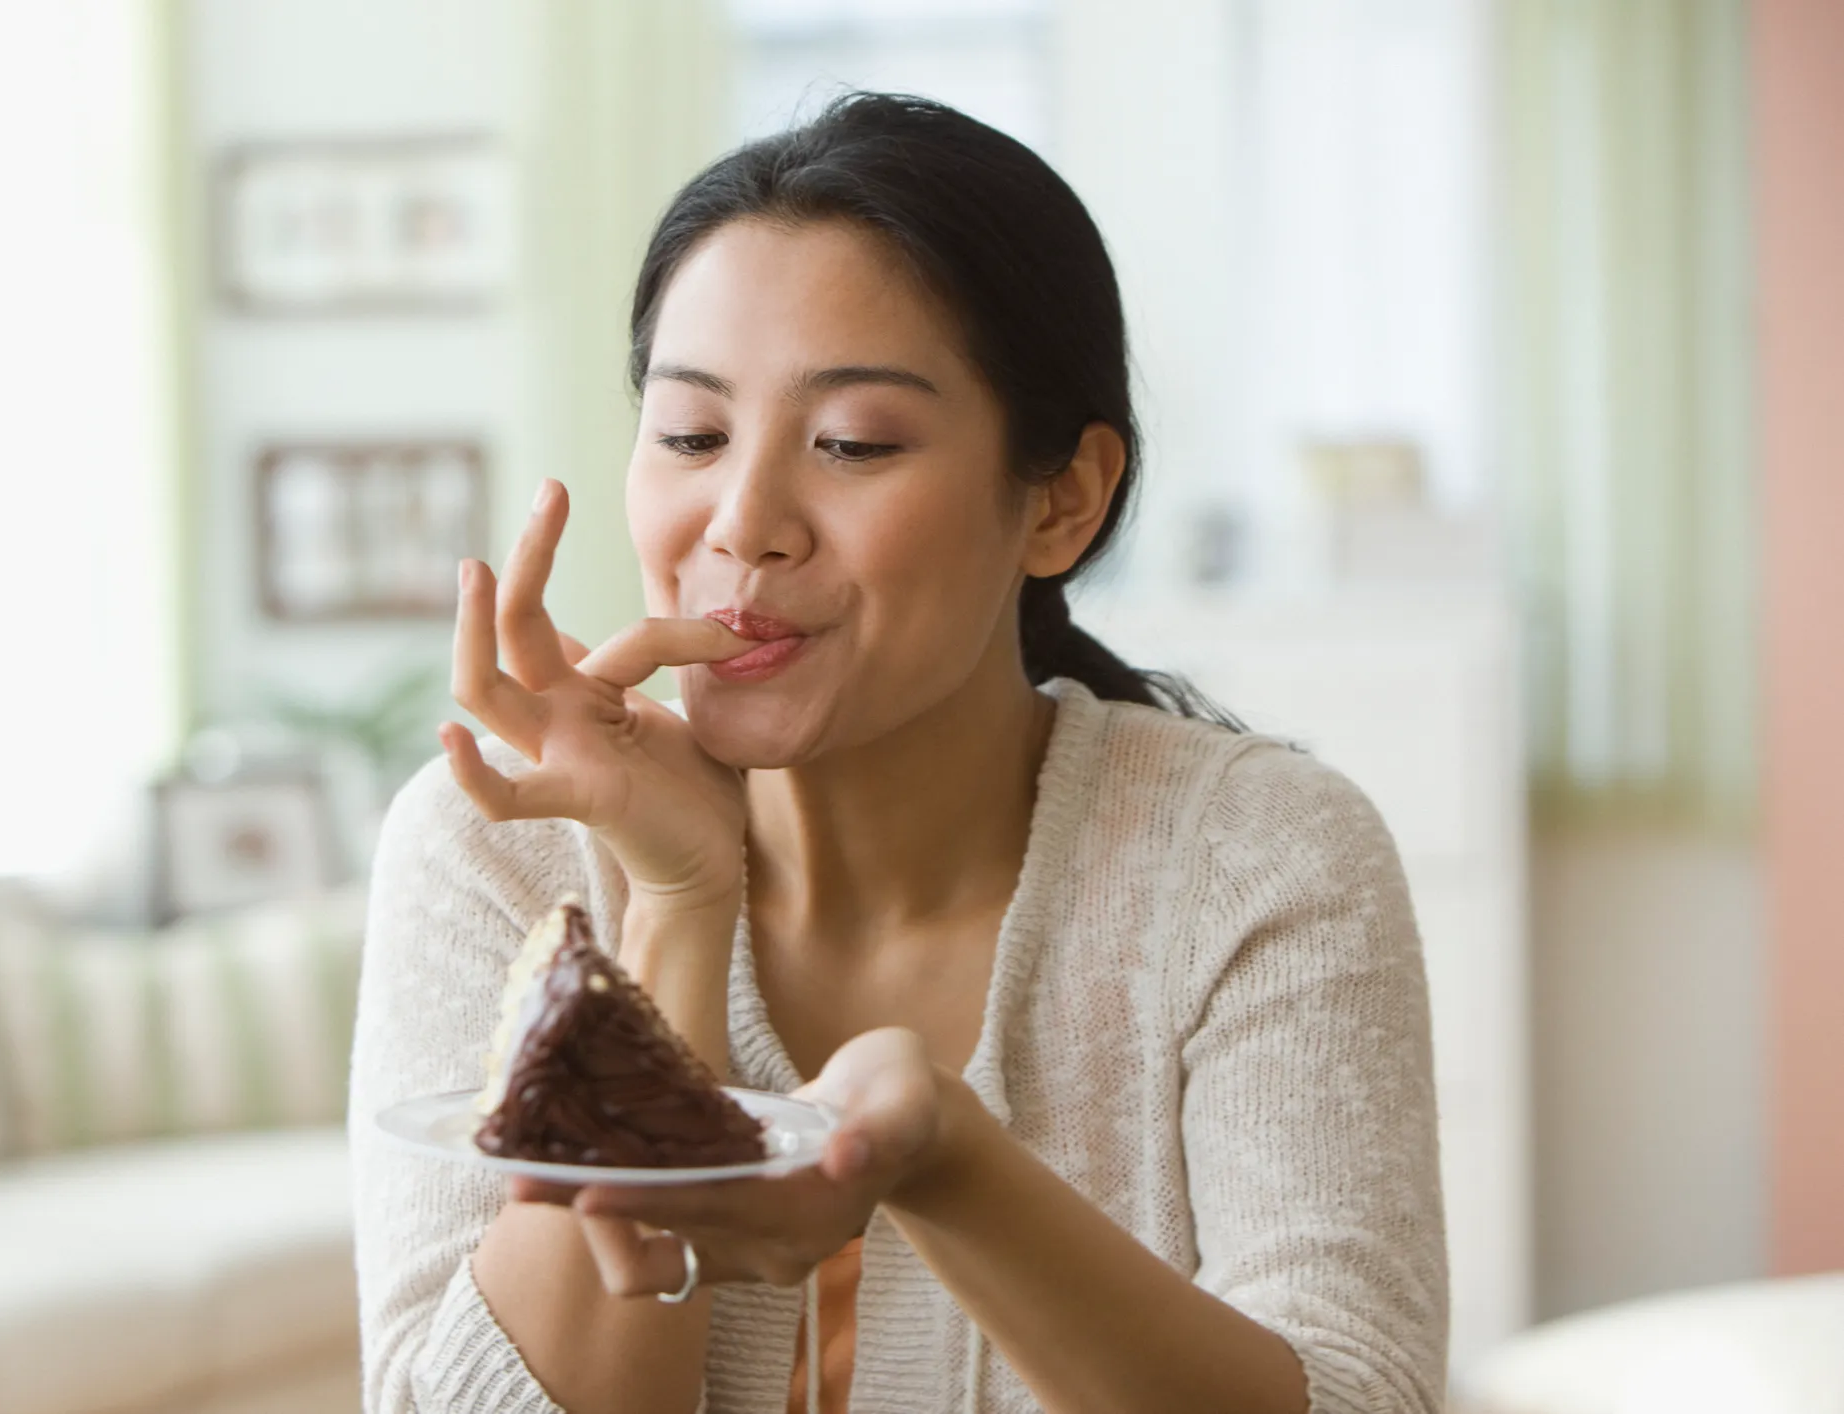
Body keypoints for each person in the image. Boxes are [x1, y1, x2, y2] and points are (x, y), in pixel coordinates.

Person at [349, 93, 1446, 1414]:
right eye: (692, 434)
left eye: (852, 443)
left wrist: (950, 1162)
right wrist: (675, 919)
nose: (744, 521)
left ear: (1062, 499)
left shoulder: (1257, 859)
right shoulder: (500, 840)